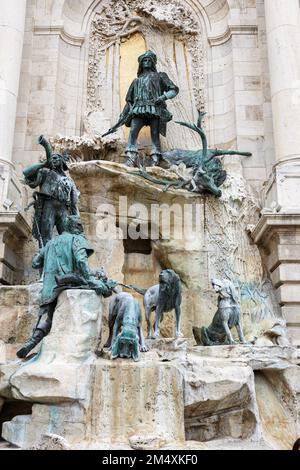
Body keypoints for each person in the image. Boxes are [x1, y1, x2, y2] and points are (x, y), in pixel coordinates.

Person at [16, 215, 116, 359]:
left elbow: (35, 263)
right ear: (75, 227)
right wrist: (93, 281)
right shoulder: (77, 239)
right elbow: (82, 262)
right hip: (69, 282)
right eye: (80, 226)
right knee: (103, 287)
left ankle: (33, 339)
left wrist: (45, 254)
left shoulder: (51, 243)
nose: (82, 230)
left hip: (50, 286)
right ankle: (106, 287)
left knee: (46, 313)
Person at [122, 50, 179, 167]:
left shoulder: (160, 76)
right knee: (133, 132)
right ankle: (131, 157)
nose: (147, 62)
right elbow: (129, 101)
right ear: (141, 64)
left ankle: (155, 158)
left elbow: (174, 90)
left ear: (153, 63)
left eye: (149, 60)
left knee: (154, 134)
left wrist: (163, 97)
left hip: (154, 108)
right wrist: (123, 114)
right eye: (144, 60)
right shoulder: (136, 81)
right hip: (138, 109)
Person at [23, 135, 79, 247]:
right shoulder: (44, 172)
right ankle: (45, 260)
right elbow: (26, 172)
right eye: (52, 158)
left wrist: (75, 217)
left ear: (62, 161)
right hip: (48, 205)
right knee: (45, 236)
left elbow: (74, 201)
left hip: (63, 208)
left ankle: (65, 261)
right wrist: (43, 164)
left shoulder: (68, 180)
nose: (53, 159)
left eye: (56, 157)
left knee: (67, 237)